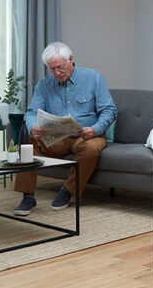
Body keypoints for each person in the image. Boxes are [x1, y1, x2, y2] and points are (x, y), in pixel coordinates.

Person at [13, 42, 117, 215]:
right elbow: (30, 112)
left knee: (91, 148)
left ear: (70, 59)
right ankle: (28, 197)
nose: (57, 73)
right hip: (58, 138)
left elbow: (109, 110)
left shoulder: (93, 78)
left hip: (87, 135)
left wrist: (95, 129)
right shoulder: (44, 85)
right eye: (52, 69)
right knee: (28, 143)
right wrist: (33, 127)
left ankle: (67, 191)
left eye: (59, 68)